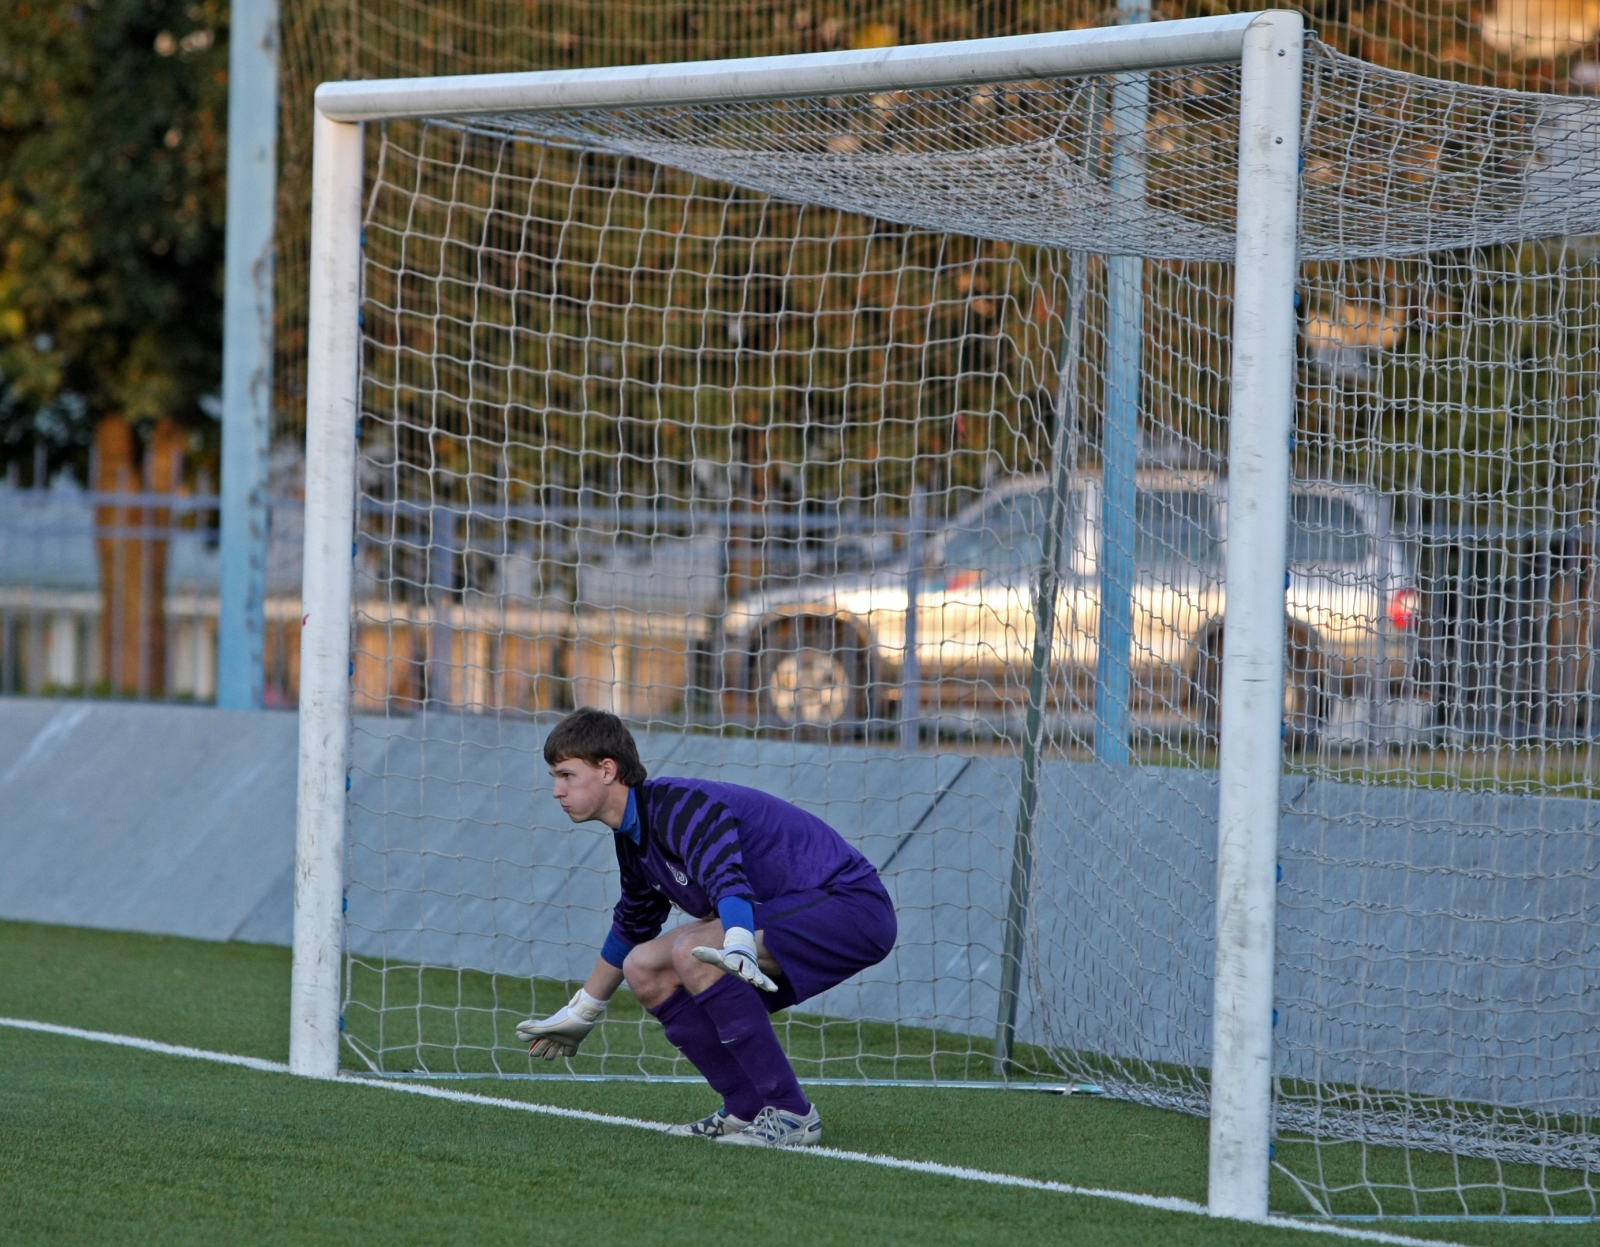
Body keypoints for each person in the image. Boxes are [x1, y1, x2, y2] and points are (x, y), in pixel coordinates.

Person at [517, 707, 897, 1148]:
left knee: (692, 951)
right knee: (644, 967)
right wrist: (583, 1011)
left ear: (607, 770)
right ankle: (746, 1109)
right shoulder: (633, 838)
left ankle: (793, 1113)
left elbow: (727, 881)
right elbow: (633, 927)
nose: (556, 791)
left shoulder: (681, 806)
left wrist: (736, 940)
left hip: (852, 909)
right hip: (789, 917)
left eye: (565, 775)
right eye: (554, 778)